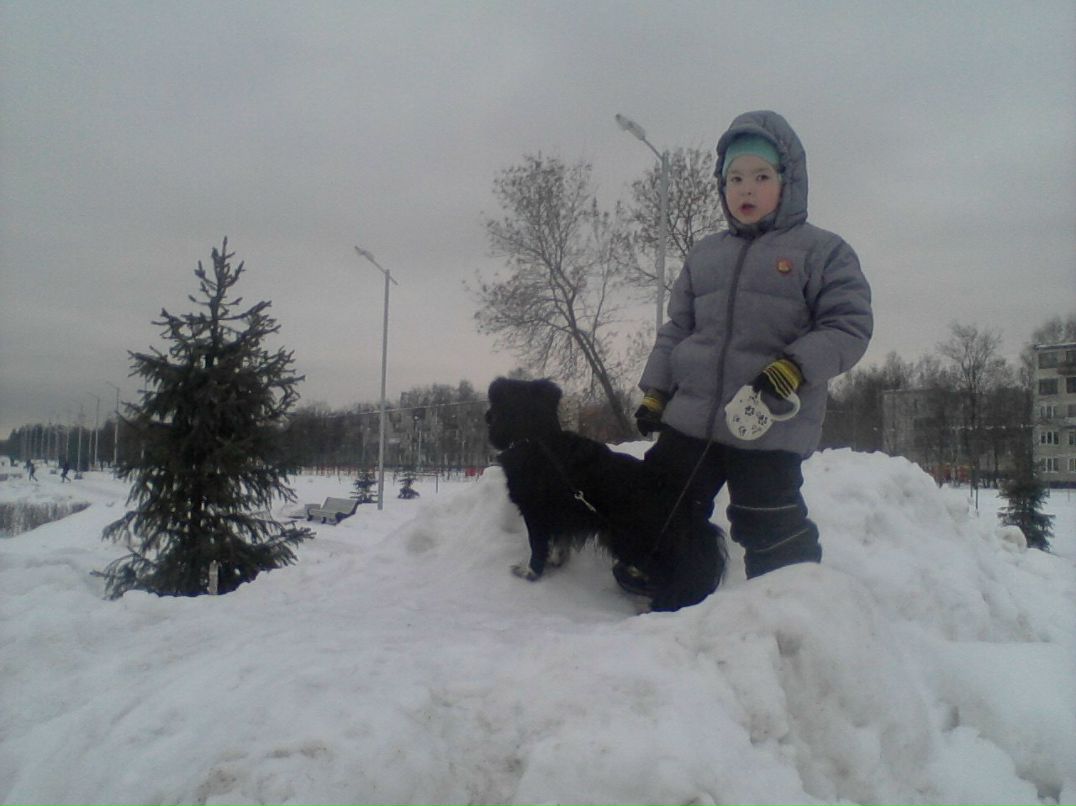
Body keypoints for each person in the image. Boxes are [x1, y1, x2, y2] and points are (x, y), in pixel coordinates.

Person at [632, 110, 873, 582]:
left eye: (761, 176)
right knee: (663, 497)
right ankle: (664, 578)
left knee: (767, 516)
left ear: (788, 181)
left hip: (769, 416)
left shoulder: (823, 251)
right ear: (722, 188)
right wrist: (657, 390)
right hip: (694, 415)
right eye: (734, 178)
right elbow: (678, 328)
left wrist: (794, 368)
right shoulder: (705, 255)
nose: (746, 189)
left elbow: (849, 326)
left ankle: (788, 601)